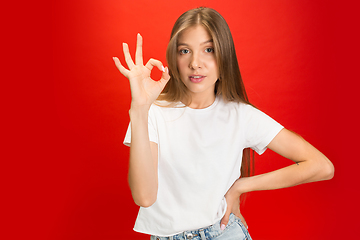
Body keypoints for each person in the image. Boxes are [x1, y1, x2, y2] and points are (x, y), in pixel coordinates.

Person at [113, 7, 334, 240]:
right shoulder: (153, 112)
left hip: (224, 232)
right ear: (174, 57)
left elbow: (322, 166)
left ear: (224, 56)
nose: (195, 63)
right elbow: (144, 197)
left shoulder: (239, 114)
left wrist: (241, 186)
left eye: (209, 50)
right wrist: (139, 108)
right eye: (185, 51)